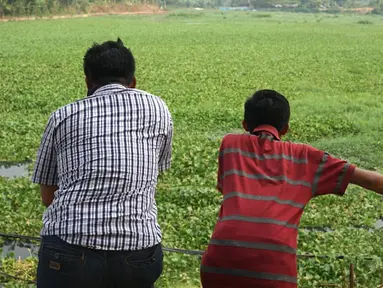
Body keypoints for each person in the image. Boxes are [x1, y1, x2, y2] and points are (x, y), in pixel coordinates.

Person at [200, 89, 383, 288]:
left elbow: (226, 189)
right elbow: (373, 181)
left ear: (245, 124)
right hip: (273, 274)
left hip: (218, 267)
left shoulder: (230, 144)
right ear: (285, 128)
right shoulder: (305, 157)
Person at [32, 38, 173, 288]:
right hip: (138, 252)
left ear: (88, 81)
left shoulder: (62, 117)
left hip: (68, 251)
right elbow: (155, 170)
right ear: (133, 82)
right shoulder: (158, 108)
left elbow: (47, 197)